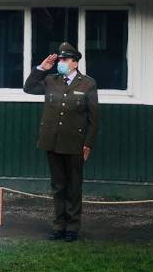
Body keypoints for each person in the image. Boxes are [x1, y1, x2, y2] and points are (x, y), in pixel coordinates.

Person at [23, 42, 99, 242]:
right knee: (58, 186)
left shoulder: (87, 84)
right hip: (52, 141)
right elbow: (28, 88)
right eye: (60, 60)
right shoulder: (50, 80)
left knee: (74, 186)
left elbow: (94, 119)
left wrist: (88, 144)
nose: (61, 63)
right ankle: (58, 226)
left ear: (75, 63)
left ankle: (72, 227)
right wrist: (41, 69)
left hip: (75, 143)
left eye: (65, 60)